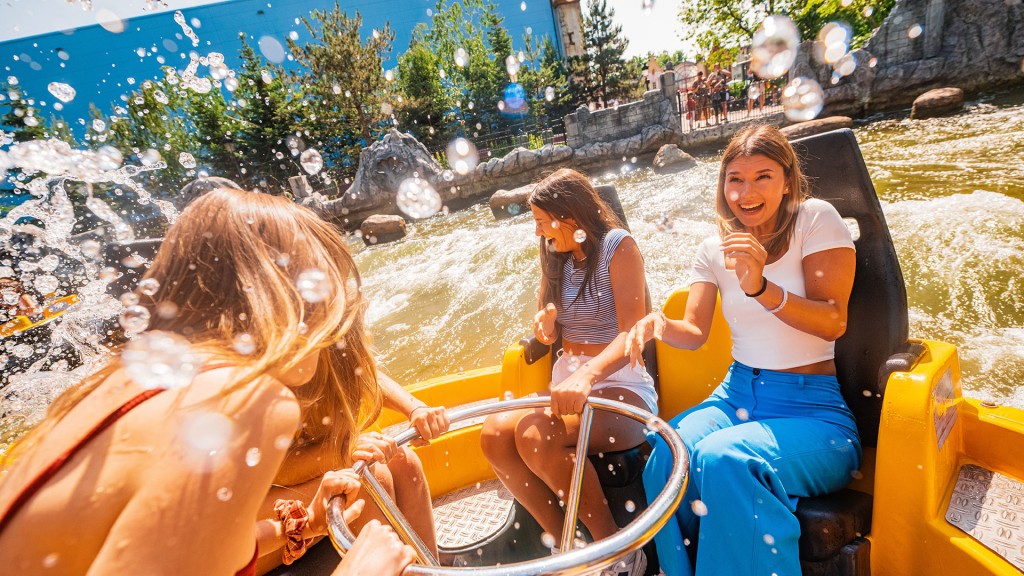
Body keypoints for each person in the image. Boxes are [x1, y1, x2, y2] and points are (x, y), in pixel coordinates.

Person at [0, 187, 416, 575]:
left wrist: (299, 525)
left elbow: (164, 546)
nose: (334, 323)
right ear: (283, 296)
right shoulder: (247, 399)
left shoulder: (132, 379)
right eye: (325, 289)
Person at [625, 124, 862, 576]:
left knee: (726, 459)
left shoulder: (816, 219)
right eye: (735, 179)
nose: (746, 192)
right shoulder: (714, 248)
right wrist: (659, 324)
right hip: (736, 395)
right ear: (723, 185)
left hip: (812, 410)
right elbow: (693, 331)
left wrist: (760, 287)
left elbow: (834, 320)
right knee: (666, 457)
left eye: (763, 177)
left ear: (787, 180)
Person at [480, 168, 656, 576]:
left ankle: (618, 551)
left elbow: (634, 331)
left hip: (620, 386)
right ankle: (569, 550)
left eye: (542, 222)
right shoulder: (556, 257)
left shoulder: (618, 246)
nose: (538, 232)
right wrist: (545, 329)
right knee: (493, 434)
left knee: (534, 435)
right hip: (570, 387)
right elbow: (548, 326)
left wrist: (588, 375)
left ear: (570, 216)